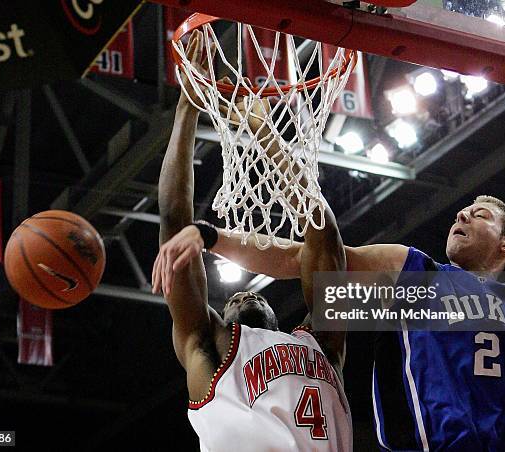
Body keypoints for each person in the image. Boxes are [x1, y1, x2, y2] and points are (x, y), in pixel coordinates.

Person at [156, 184, 505, 450]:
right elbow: (304, 256)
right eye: (461, 211)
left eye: (478, 215)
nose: (462, 215)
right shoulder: (418, 272)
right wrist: (212, 238)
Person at [153, 30, 352, 452]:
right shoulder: (207, 348)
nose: (245, 294)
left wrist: (265, 133)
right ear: (219, 316)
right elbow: (173, 218)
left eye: (243, 295)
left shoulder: (323, 344)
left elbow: (323, 230)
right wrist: (188, 106)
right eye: (233, 299)